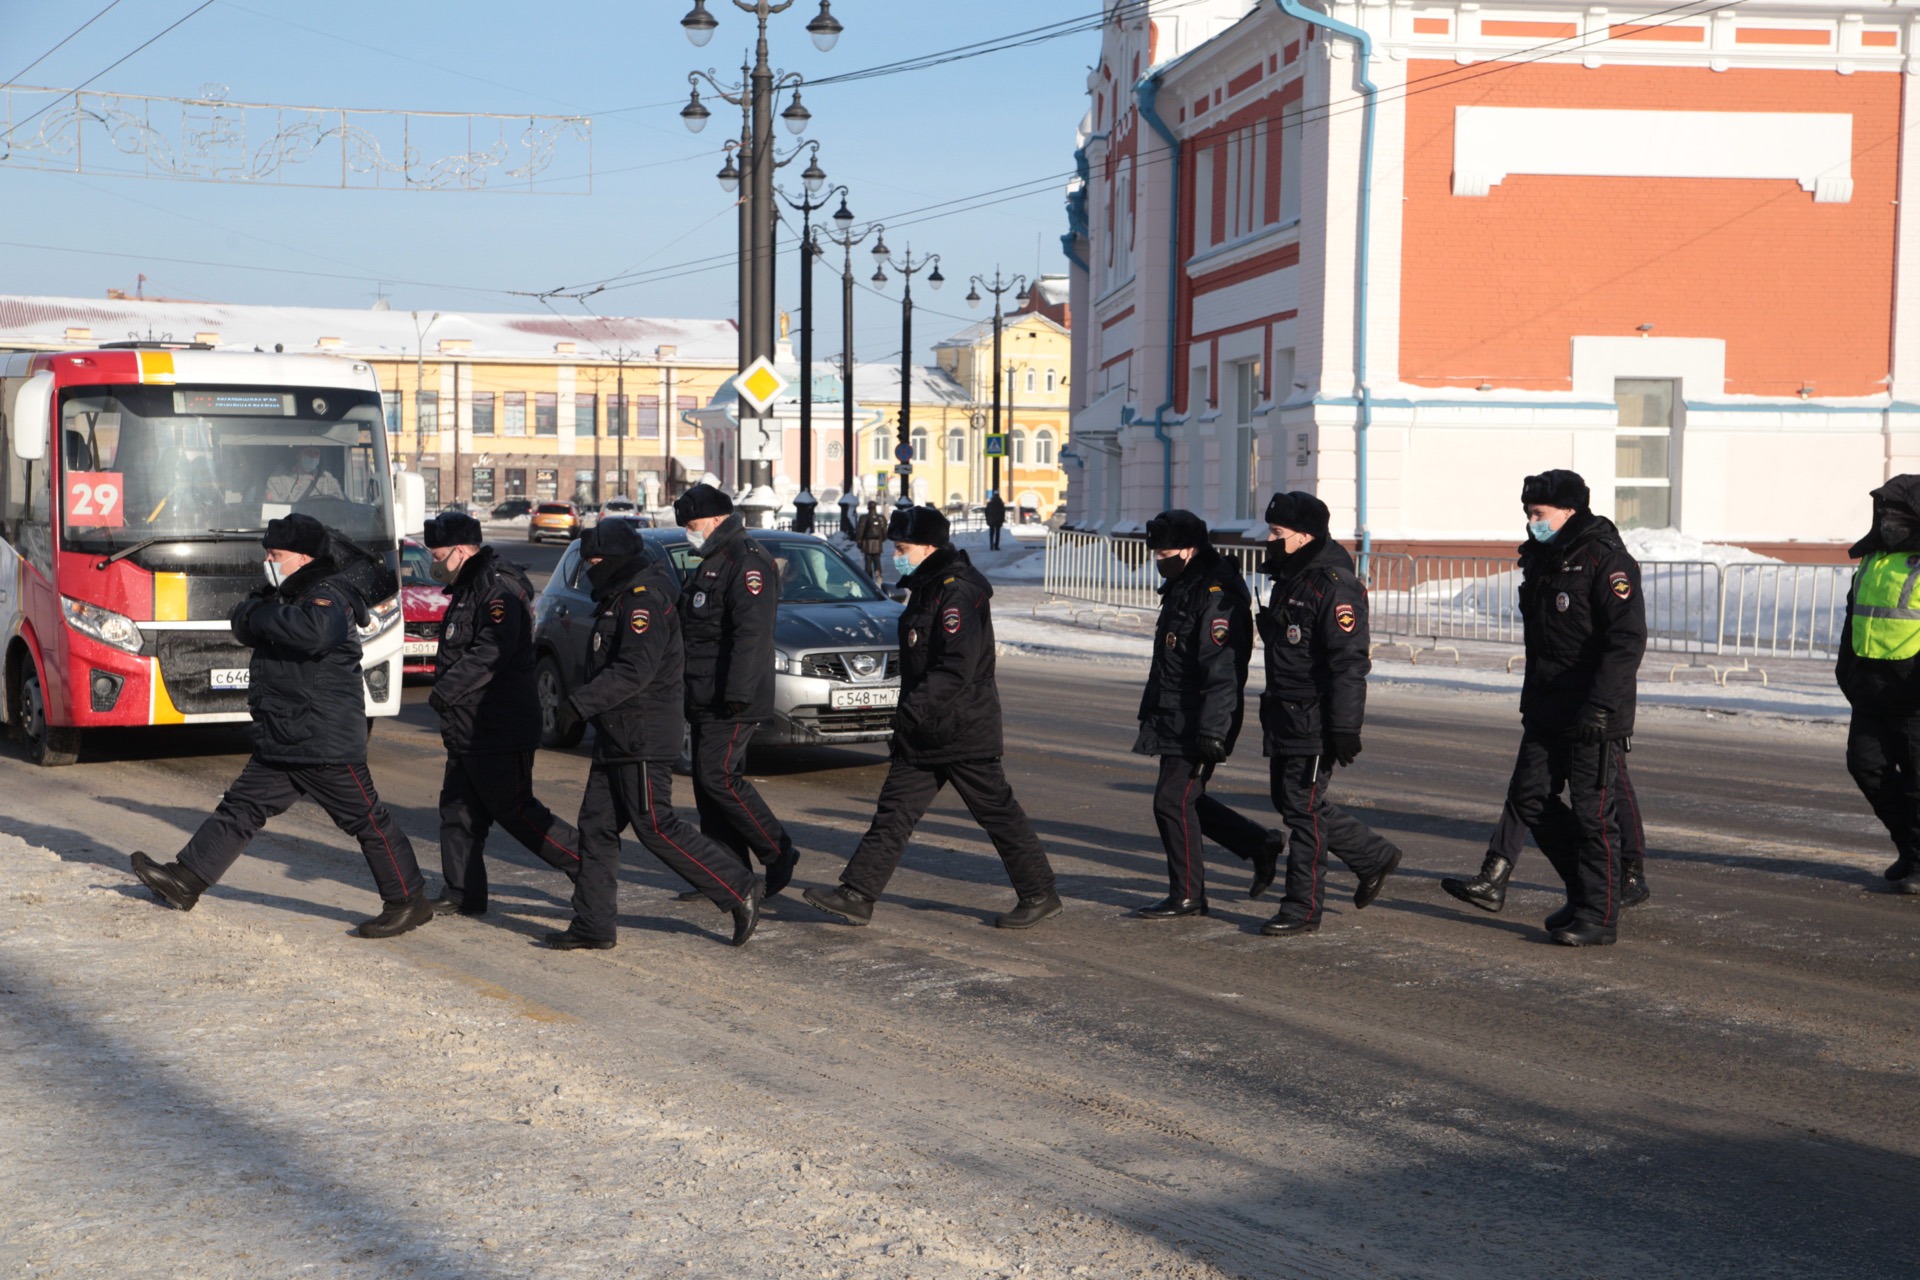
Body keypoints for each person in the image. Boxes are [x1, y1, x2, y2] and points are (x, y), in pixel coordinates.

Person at [129, 514, 430, 938]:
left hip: (323, 738)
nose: (269, 562)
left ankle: (408, 901)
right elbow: (245, 623)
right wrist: (256, 612)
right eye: (268, 554)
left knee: (366, 820)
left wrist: (256, 613)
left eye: (277, 555)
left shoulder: (329, 593)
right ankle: (186, 880)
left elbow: (313, 634)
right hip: (288, 733)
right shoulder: (289, 594)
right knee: (241, 807)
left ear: (304, 557)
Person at [804, 504, 1062, 929]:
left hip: (960, 727)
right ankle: (857, 894)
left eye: (902, 547)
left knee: (997, 813)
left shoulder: (957, 590)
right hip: (926, 732)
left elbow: (955, 667)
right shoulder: (928, 586)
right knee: (894, 812)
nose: (896, 555)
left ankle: (1039, 893)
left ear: (928, 546)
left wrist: (910, 711)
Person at [548, 519, 763, 949]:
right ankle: (593, 925)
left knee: (655, 825)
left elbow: (633, 671)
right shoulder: (619, 597)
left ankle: (737, 886)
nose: (588, 569)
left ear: (612, 561)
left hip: (640, 734)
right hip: (616, 733)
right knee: (596, 827)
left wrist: (578, 705)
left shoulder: (645, 600)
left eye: (593, 561)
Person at [1491, 469, 1647, 946]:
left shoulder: (1606, 560)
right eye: (1528, 513)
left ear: (1569, 511)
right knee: (1532, 801)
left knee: (1592, 813)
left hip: (1591, 713)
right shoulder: (1543, 558)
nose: (1531, 521)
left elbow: (1626, 641)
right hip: (1547, 706)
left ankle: (1599, 916)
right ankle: (1583, 893)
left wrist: (1601, 708)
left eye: (1539, 513)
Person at [421, 511, 584, 917]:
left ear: (460, 551)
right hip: (468, 727)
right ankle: (463, 893)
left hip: (498, 726)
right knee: (458, 812)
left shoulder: (497, 589)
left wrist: (446, 690)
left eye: (438, 555)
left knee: (516, 811)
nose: (433, 563)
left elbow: (490, 651)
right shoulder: (467, 586)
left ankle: (586, 865)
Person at [1253, 492, 1402, 938]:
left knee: (1302, 811)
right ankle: (1372, 856)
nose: (1270, 540)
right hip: (1285, 711)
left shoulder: (1334, 585)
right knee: (1291, 801)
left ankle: (1302, 907)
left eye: (1278, 533)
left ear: (1305, 535)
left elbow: (1349, 661)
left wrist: (1344, 726)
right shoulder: (1293, 575)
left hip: (1315, 717)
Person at [1130, 509, 1283, 917]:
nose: (1160, 559)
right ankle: (1257, 843)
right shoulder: (1186, 583)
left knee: (1171, 801)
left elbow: (1223, 670)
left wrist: (1213, 731)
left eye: (1167, 551)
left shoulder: (1215, 592)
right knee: (1185, 799)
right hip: (1176, 712)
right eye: (1156, 552)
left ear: (1190, 548)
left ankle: (1188, 894)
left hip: (1200, 719)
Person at [673, 483, 801, 894]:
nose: (689, 533)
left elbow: (752, 634)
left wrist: (738, 693)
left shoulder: (746, 563)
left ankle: (778, 850)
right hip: (705, 690)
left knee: (719, 777)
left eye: (693, 525)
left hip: (732, 695)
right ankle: (725, 872)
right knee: (707, 785)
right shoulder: (712, 559)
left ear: (715, 520)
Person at [1836, 475, 1920, 895]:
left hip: (1913, 696)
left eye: (1899, 516)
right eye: (1884, 515)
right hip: (1870, 688)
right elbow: (1855, 617)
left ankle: (1919, 862)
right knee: (1865, 766)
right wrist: (1845, 671)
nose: (1889, 523)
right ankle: (1910, 847)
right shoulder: (1873, 560)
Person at [1442, 754, 1651, 912]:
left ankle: (1629, 873)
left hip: (1595, 709)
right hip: (1553, 706)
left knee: (1609, 776)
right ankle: (1496, 873)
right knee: (1527, 785)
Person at [263, 445, 345, 505]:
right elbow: (273, 507)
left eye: (316, 453)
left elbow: (339, 504)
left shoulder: (327, 478)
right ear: (298, 455)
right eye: (308, 452)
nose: (312, 456)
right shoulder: (278, 479)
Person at [855, 500, 888, 583]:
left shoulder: (864, 518)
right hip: (877, 544)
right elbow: (885, 532)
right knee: (877, 560)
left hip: (867, 544)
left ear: (868, 508)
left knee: (868, 561)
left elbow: (860, 531)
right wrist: (881, 540)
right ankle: (878, 575)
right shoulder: (881, 518)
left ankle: (868, 579)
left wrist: (859, 541)